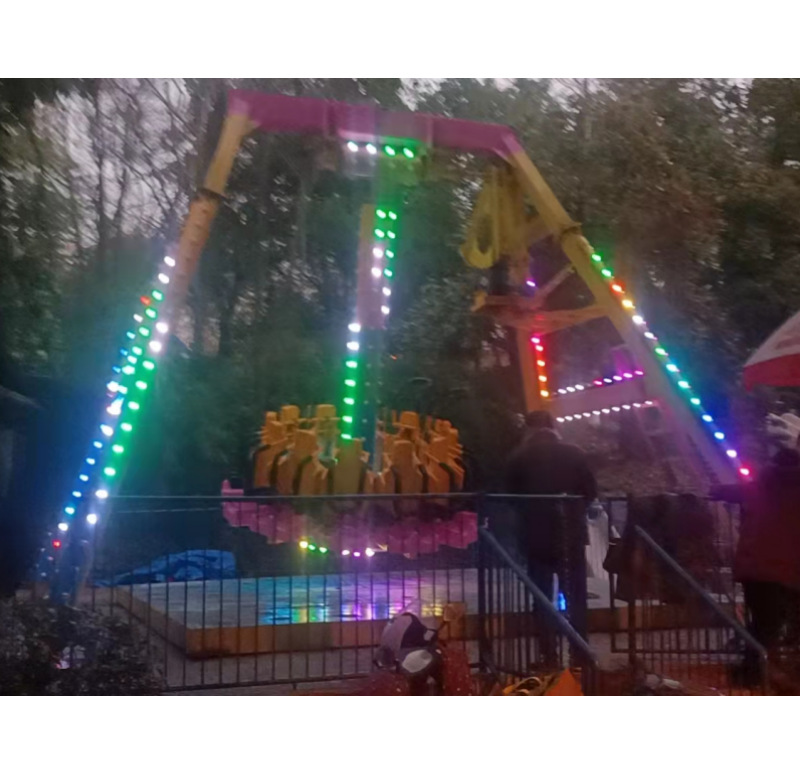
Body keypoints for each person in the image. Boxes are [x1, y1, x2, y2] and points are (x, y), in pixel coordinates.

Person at [504, 410, 598, 658]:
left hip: (536, 538)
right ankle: (580, 651)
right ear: (553, 426)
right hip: (570, 535)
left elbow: (510, 497)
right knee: (576, 597)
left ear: (529, 429)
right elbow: (590, 492)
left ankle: (548, 654)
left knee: (542, 598)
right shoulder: (575, 453)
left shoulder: (518, 457)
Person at [717, 448, 800, 682]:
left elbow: (733, 491)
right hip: (784, 567)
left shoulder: (763, 484)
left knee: (763, 623)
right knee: (771, 624)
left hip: (753, 565)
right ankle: (756, 673)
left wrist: (718, 490)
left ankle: (752, 672)